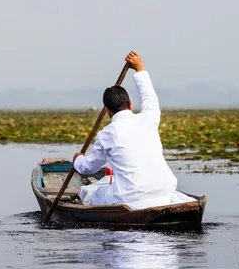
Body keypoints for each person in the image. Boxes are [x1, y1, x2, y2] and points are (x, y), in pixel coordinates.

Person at [72, 51, 179, 210]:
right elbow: (149, 98)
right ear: (130, 104)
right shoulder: (148, 119)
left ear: (108, 111)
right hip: (164, 190)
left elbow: (90, 167)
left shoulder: (106, 134)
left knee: (96, 196)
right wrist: (140, 68)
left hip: (131, 197)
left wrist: (78, 160)